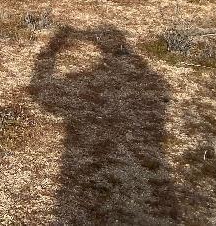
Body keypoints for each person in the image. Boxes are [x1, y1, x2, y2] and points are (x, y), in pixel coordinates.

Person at [29, 26, 179, 225]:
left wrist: (52, 50)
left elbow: (43, 96)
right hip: (144, 167)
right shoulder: (153, 79)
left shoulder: (147, 80)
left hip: (84, 165)